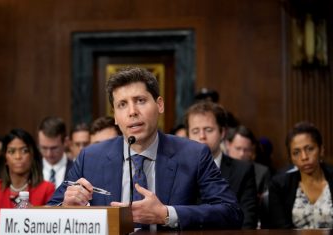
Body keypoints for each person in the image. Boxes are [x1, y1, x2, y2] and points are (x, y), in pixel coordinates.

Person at [48, 67, 243, 230]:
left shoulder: (193, 154)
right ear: (115, 116)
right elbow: (49, 213)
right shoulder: (91, 157)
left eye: (140, 100)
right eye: (122, 104)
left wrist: (167, 214)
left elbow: (231, 212)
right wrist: (66, 206)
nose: (132, 112)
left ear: (159, 105)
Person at [268, 122, 333, 232]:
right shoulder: (279, 186)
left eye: (310, 149)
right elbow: (281, 231)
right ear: (291, 158)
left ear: (321, 150)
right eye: (296, 152)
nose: (304, 157)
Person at [185, 101, 257, 229]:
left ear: (222, 132)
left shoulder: (243, 170)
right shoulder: (178, 170)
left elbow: (247, 222)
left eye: (208, 130)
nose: (202, 137)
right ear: (188, 135)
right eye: (195, 131)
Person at [0, 128, 55, 211]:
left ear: (32, 156)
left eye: (24, 151)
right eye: (11, 151)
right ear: (5, 158)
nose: (18, 156)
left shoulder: (47, 189)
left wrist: (34, 212)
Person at [225, 125, 271, 195]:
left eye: (246, 150)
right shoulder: (216, 167)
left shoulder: (262, 172)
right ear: (228, 145)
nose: (242, 154)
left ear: (252, 150)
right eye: (238, 148)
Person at [38, 116, 74, 189]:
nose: (49, 154)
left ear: (65, 142)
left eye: (54, 148)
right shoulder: (31, 171)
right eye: (44, 148)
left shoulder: (76, 171)